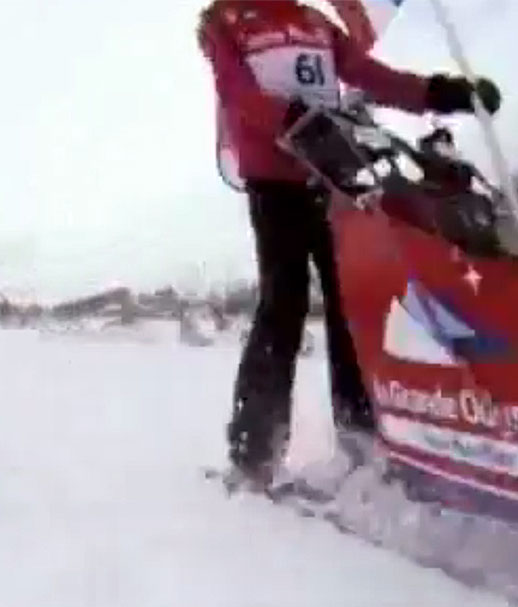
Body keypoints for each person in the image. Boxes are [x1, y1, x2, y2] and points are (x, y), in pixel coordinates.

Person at [197, 0, 501, 489]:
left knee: (348, 306)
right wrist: (294, 118)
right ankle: (254, 453)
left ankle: (360, 437)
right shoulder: (225, 21)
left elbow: (372, 76)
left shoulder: (317, 24)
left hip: (331, 177)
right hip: (275, 182)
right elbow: (239, 95)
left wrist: (443, 93)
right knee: (284, 303)